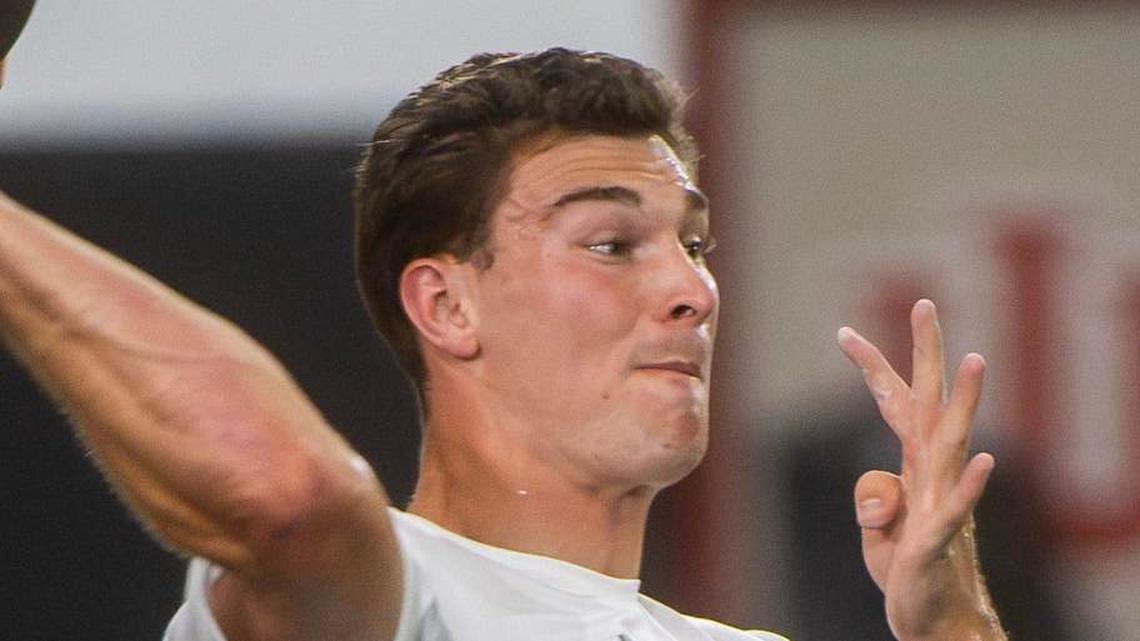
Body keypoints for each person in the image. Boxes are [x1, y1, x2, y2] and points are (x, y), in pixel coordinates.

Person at [0, 43, 1006, 641]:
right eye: (612, 243)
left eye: (695, 245)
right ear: (447, 306)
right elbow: (287, 496)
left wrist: (953, 623)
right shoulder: (396, 587)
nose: (691, 289)